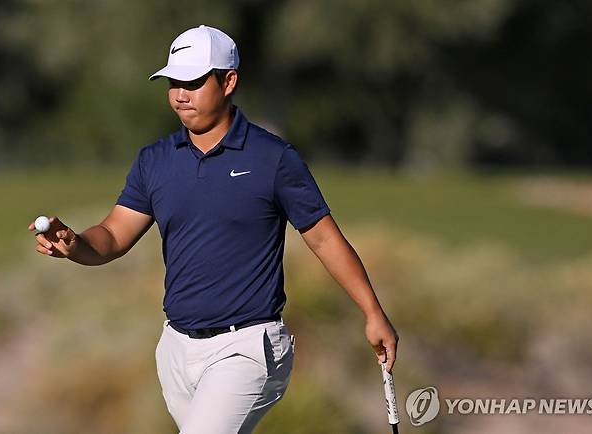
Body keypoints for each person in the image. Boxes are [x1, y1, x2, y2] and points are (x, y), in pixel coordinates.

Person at [28, 24, 398, 434]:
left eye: (192, 82)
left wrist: (372, 312)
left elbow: (325, 239)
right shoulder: (155, 161)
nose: (180, 94)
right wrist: (75, 243)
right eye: (173, 82)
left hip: (248, 348)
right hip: (176, 350)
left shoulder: (273, 158)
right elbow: (113, 236)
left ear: (229, 82)